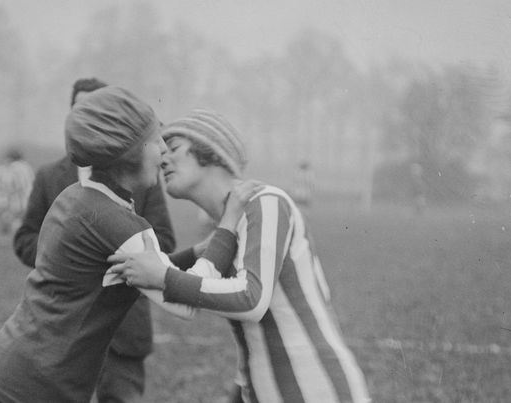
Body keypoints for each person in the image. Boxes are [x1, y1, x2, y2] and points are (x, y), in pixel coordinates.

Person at [0, 87, 254, 403]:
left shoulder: (78, 197)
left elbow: (142, 268)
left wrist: (196, 253)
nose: (163, 151)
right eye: (156, 140)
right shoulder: (116, 221)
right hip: (28, 391)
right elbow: (187, 302)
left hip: (4, 377)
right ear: (129, 151)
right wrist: (227, 226)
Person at [107, 109, 371, 403]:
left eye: (175, 148)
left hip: (316, 389)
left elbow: (252, 299)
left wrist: (164, 276)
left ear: (213, 153)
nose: (163, 159)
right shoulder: (226, 230)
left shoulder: (265, 202)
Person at [12, 78, 176, 403]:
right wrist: (72, 257)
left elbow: (164, 240)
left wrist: (122, 251)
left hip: (124, 330)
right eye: (82, 110)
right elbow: (26, 239)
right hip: (66, 331)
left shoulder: (143, 173)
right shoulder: (50, 178)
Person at [0, 148, 34, 239]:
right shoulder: (27, 166)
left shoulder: (12, 168)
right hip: (27, 197)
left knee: (8, 217)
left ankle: (11, 237)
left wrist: (7, 197)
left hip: (15, 197)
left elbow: (12, 184)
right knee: (19, 219)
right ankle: (18, 237)